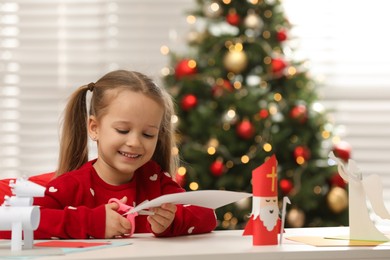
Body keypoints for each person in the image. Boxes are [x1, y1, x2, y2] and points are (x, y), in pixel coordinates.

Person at [1, 70, 217, 239]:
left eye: (148, 134)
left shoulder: (156, 181)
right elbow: (13, 223)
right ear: (94, 128)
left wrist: (173, 221)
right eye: (123, 130)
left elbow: (208, 216)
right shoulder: (71, 186)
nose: (134, 143)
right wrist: (91, 223)